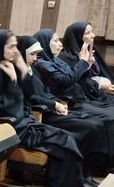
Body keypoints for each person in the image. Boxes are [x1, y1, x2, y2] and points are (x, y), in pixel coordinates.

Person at [0, 30, 85, 187]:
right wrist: (14, 81)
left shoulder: (6, 66)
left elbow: (29, 95)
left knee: (69, 139)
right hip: (6, 129)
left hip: (20, 123)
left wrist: (22, 69)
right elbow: (2, 107)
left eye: (16, 46)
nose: (15, 51)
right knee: (64, 143)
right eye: (11, 47)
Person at [17, 36, 106, 187]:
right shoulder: (20, 72)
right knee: (87, 128)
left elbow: (46, 91)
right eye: (32, 54)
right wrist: (54, 104)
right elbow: (31, 97)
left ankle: (84, 173)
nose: (35, 58)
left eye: (36, 54)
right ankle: (79, 176)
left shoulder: (32, 69)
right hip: (42, 114)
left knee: (95, 123)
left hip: (52, 108)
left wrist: (57, 103)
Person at [33, 28, 114, 168]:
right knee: (101, 121)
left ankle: (104, 162)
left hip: (74, 100)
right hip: (65, 103)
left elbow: (73, 76)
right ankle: (99, 164)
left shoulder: (55, 60)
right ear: (44, 43)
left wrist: (86, 64)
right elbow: (66, 80)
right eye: (56, 41)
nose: (60, 44)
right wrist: (82, 61)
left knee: (109, 113)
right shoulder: (41, 63)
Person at [59, 22, 114, 103]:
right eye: (88, 33)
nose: (93, 35)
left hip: (101, 92)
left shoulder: (89, 50)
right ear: (77, 37)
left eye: (92, 32)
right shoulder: (66, 58)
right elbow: (78, 81)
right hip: (88, 96)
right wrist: (99, 86)